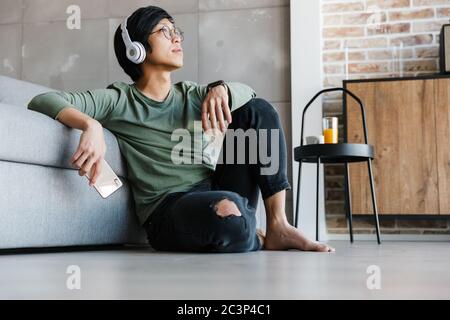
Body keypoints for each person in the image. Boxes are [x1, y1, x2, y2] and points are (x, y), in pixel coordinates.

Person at [28, 6, 335, 253]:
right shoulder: (119, 99)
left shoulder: (191, 93)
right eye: (165, 31)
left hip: (214, 187)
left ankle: (277, 225)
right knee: (230, 216)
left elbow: (252, 97)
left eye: (177, 32)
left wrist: (222, 89)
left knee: (259, 110)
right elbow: (43, 99)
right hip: (168, 210)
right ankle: (243, 224)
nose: (177, 38)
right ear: (136, 49)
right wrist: (89, 123)